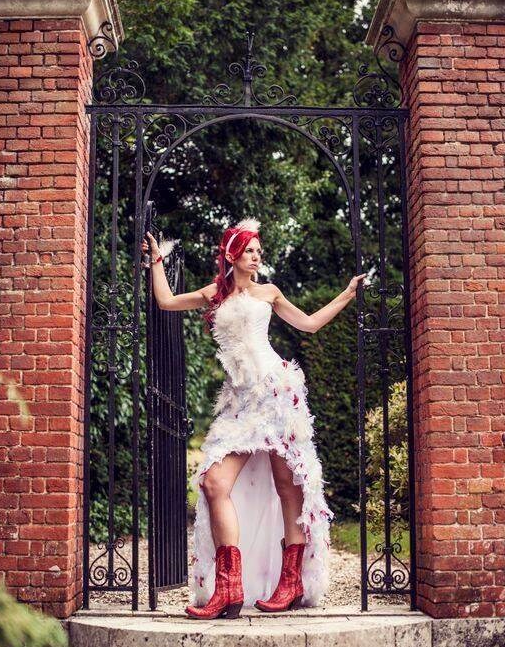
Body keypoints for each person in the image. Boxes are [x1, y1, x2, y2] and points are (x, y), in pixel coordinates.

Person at [141, 218, 366, 620]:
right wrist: (157, 260)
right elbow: (165, 302)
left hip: (276, 393)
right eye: (250, 250)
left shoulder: (269, 293)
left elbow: (310, 324)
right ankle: (229, 587)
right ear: (232, 255)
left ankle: (291, 582)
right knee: (214, 481)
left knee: (287, 485)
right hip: (240, 404)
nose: (257, 256)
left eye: (259, 251)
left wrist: (347, 294)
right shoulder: (214, 294)